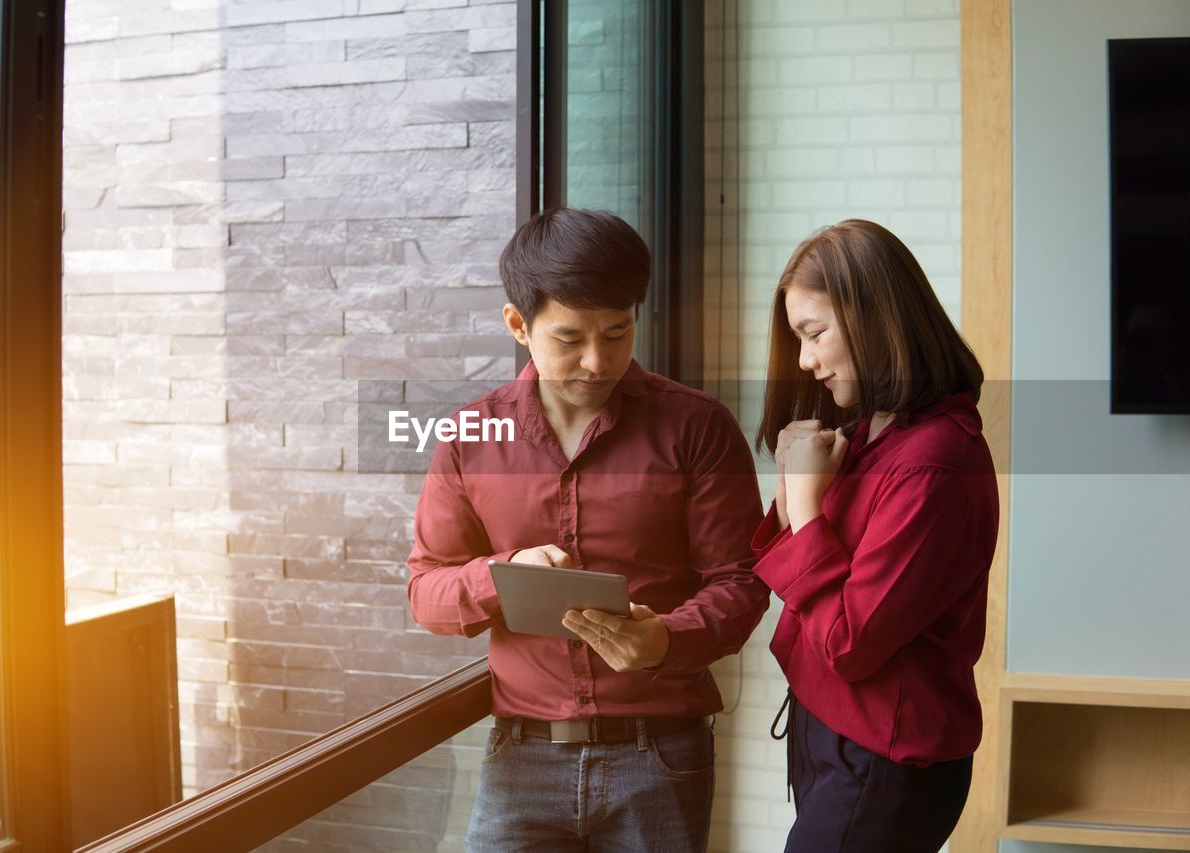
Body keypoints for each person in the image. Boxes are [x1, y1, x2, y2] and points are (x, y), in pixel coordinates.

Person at [407, 207, 768, 852]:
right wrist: (502, 577)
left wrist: (663, 639)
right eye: (569, 339)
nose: (597, 362)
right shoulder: (469, 435)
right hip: (521, 757)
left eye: (618, 333)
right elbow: (426, 592)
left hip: (661, 757)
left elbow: (740, 583)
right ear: (519, 325)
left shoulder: (698, 427)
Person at [750, 220, 999, 853]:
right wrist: (795, 489)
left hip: (881, 757)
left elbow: (849, 642)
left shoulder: (934, 460)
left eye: (815, 334)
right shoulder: (872, 431)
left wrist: (805, 506)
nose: (805, 360)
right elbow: (790, 562)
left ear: (875, 317)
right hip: (831, 731)